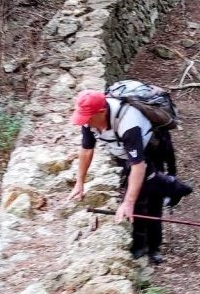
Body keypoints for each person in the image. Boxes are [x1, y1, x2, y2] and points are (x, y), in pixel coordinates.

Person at [67, 89, 188, 264]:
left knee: (150, 196)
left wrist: (128, 202)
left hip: (152, 149)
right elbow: (86, 149)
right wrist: (80, 182)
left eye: (87, 118)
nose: (84, 122)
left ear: (102, 111)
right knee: (139, 193)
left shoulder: (128, 123)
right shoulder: (89, 120)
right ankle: (172, 187)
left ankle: (151, 247)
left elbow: (138, 166)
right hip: (125, 153)